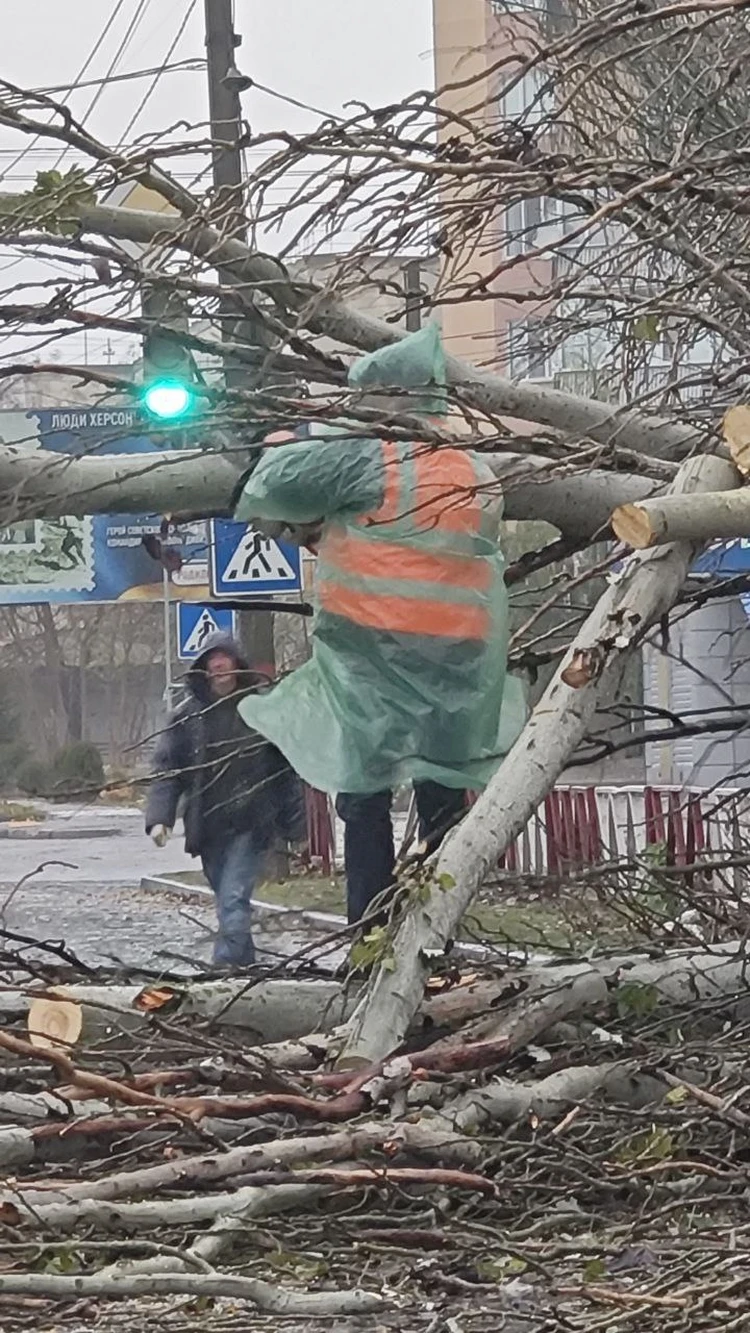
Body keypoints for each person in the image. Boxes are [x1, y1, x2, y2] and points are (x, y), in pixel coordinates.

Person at [232, 324, 527, 925]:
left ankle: (369, 934)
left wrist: (284, 438)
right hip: (460, 658)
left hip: (376, 649)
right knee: (443, 794)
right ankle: (435, 927)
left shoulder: (373, 451)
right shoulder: (473, 465)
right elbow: (423, 546)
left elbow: (274, 483)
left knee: (362, 790)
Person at [145, 633, 305, 966]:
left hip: (252, 823)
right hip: (209, 827)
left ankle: (220, 973)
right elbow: (167, 768)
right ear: (204, 670)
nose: (219, 668)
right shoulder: (188, 717)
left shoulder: (259, 711)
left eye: (225, 660)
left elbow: (286, 770)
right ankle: (245, 973)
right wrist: (160, 817)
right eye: (212, 662)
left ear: (236, 666)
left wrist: (297, 828)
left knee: (233, 899)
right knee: (229, 904)